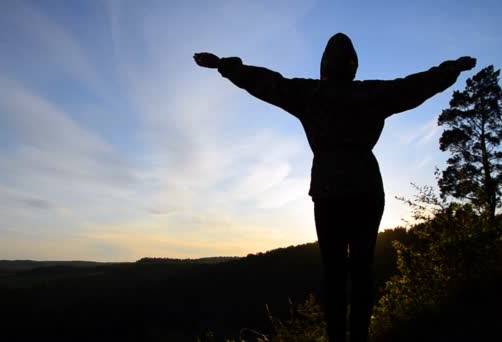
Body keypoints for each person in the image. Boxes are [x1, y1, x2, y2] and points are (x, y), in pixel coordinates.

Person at [194, 33, 476, 342]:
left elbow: (266, 83)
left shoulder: (311, 94)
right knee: (362, 270)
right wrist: (450, 69)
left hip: (329, 191)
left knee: (334, 274)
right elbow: (415, 86)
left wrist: (224, 65)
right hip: (366, 188)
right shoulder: (372, 94)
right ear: (353, 67)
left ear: (324, 66)